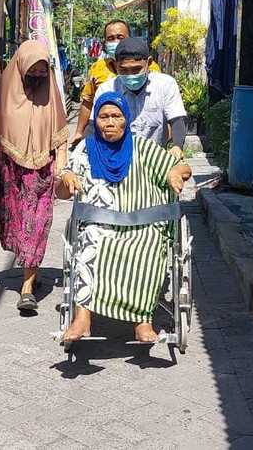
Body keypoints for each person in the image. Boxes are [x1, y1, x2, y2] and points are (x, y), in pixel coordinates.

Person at [56, 92, 192, 342]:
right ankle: (82, 317)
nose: (109, 122)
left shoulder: (142, 147)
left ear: (125, 120)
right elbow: (62, 190)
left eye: (116, 116)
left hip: (142, 226)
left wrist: (176, 172)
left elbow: (182, 167)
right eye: (103, 117)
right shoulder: (86, 149)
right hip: (98, 223)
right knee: (89, 242)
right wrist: (66, 178)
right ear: (95, 120)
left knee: (150, 244)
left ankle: (142, 321)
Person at [0, 40, 69, 310]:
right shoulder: (4, 91)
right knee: (19, 224)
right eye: (33, 70)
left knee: (36, 224)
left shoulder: (50, 92)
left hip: (42, 172)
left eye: (43, 71)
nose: (38, 76)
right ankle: (32, 270)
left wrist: (63, 167)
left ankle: (27, 287)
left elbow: (61, 135)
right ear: (20, 65)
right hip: (10, 171)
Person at [70, 20, 160, 146]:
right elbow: (88, 102)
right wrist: (79, 132)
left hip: (144, 136)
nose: (115, 42)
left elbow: (164, 107)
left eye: (120, 37)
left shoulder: (150, 67)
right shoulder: (97, 68)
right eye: (110, 38)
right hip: (109, 136)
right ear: (105, 42)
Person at [94, 37, 187, 160]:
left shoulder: (165, 84)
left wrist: (177, 146)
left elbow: (177, 119)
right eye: (123, 70)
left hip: (155, 158)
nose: (130, 75)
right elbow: (93, 125)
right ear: (115, 65)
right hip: (117, 157)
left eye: (136, 69)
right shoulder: (106, 89)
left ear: (148, 63)